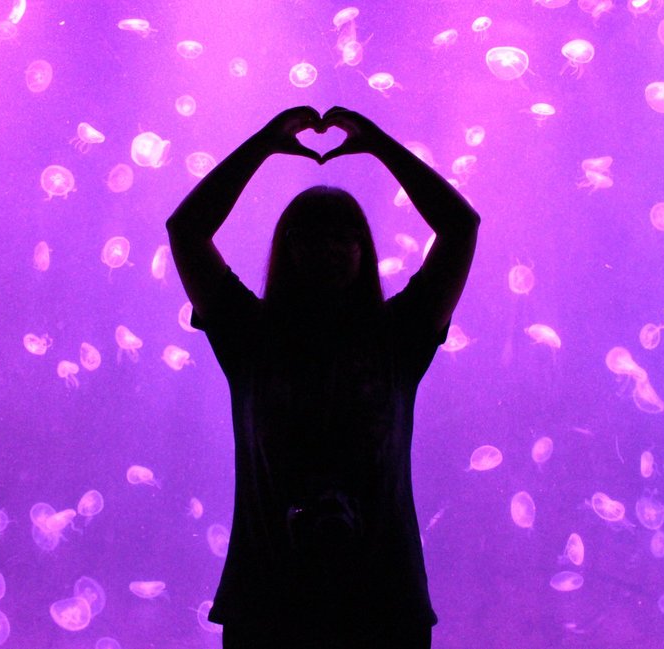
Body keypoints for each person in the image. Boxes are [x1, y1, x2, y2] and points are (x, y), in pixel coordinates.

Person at [166, 106, 480, 648]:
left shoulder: (397, 337)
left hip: (379, 606)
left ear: (364, 248)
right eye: (309, 238)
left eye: (343, 237)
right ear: (285, 250)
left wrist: (382, 143)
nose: (328, 249)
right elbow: (186, 231)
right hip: (275, 605)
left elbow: (461, 228)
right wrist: (262, 143)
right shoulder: (251, 335)